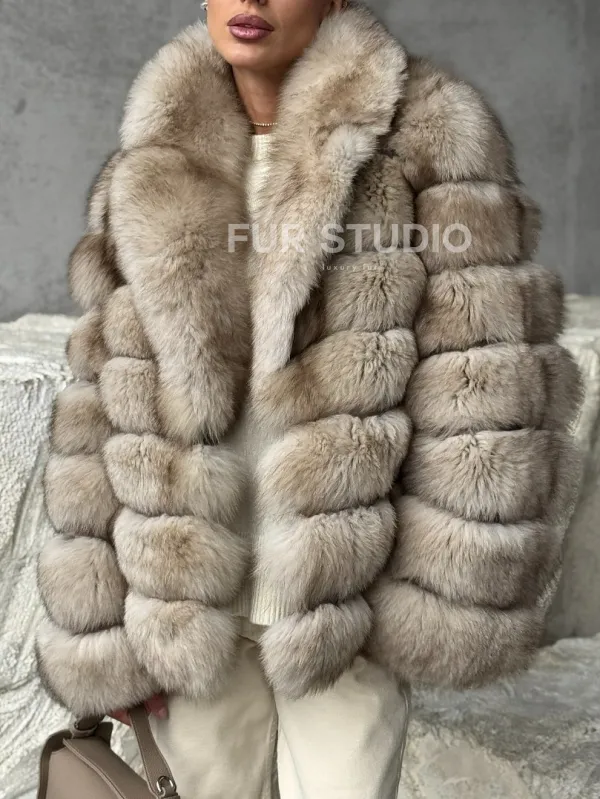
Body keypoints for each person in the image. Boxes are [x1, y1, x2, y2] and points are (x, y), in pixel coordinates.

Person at [35, 0, 584, 797]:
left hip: (345, 610)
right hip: (190, 610)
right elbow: (98, 406)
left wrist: (418, 600)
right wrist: (108, 633)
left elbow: (484, 389)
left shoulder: (426, 138)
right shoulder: (150, 162)